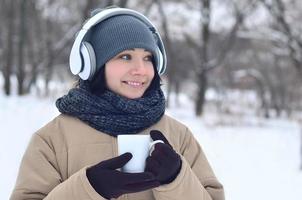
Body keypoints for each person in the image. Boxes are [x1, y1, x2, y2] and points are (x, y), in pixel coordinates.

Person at [10, 7, 224, 200]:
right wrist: (89, 190)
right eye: (125, 57)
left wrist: (177, 179)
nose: (140, 69)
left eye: (148, 58)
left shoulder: (178, 136)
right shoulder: (52, 140)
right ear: (92, 64)